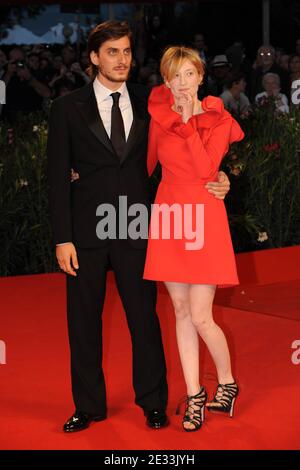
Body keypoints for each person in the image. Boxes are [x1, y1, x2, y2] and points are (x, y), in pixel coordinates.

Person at [47, 21, 231, 433]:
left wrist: (224, 177)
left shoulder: (153, 105)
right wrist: (62, 238)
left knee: (144, 320)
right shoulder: (67, 108)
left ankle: (152, 401)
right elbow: (56, 178)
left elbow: (195, 138)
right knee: (83, 321)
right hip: (85, 231)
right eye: (112, 52)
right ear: (94, 58)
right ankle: (88, 406)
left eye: (127, 51)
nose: (122, 59)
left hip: (138, 227)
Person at [143, 46, 244, 432]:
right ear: (165, 81)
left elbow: (206, 169)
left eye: (189, 74)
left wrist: (187, 123)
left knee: (202, 316)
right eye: (174, 76)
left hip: (204, 216)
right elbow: (144, 167)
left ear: (201, 76)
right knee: (180, 312)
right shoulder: (158, 119)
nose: (182, 83)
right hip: (170, 217)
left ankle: (228, 382)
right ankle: (195, 394)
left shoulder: (218, 120)